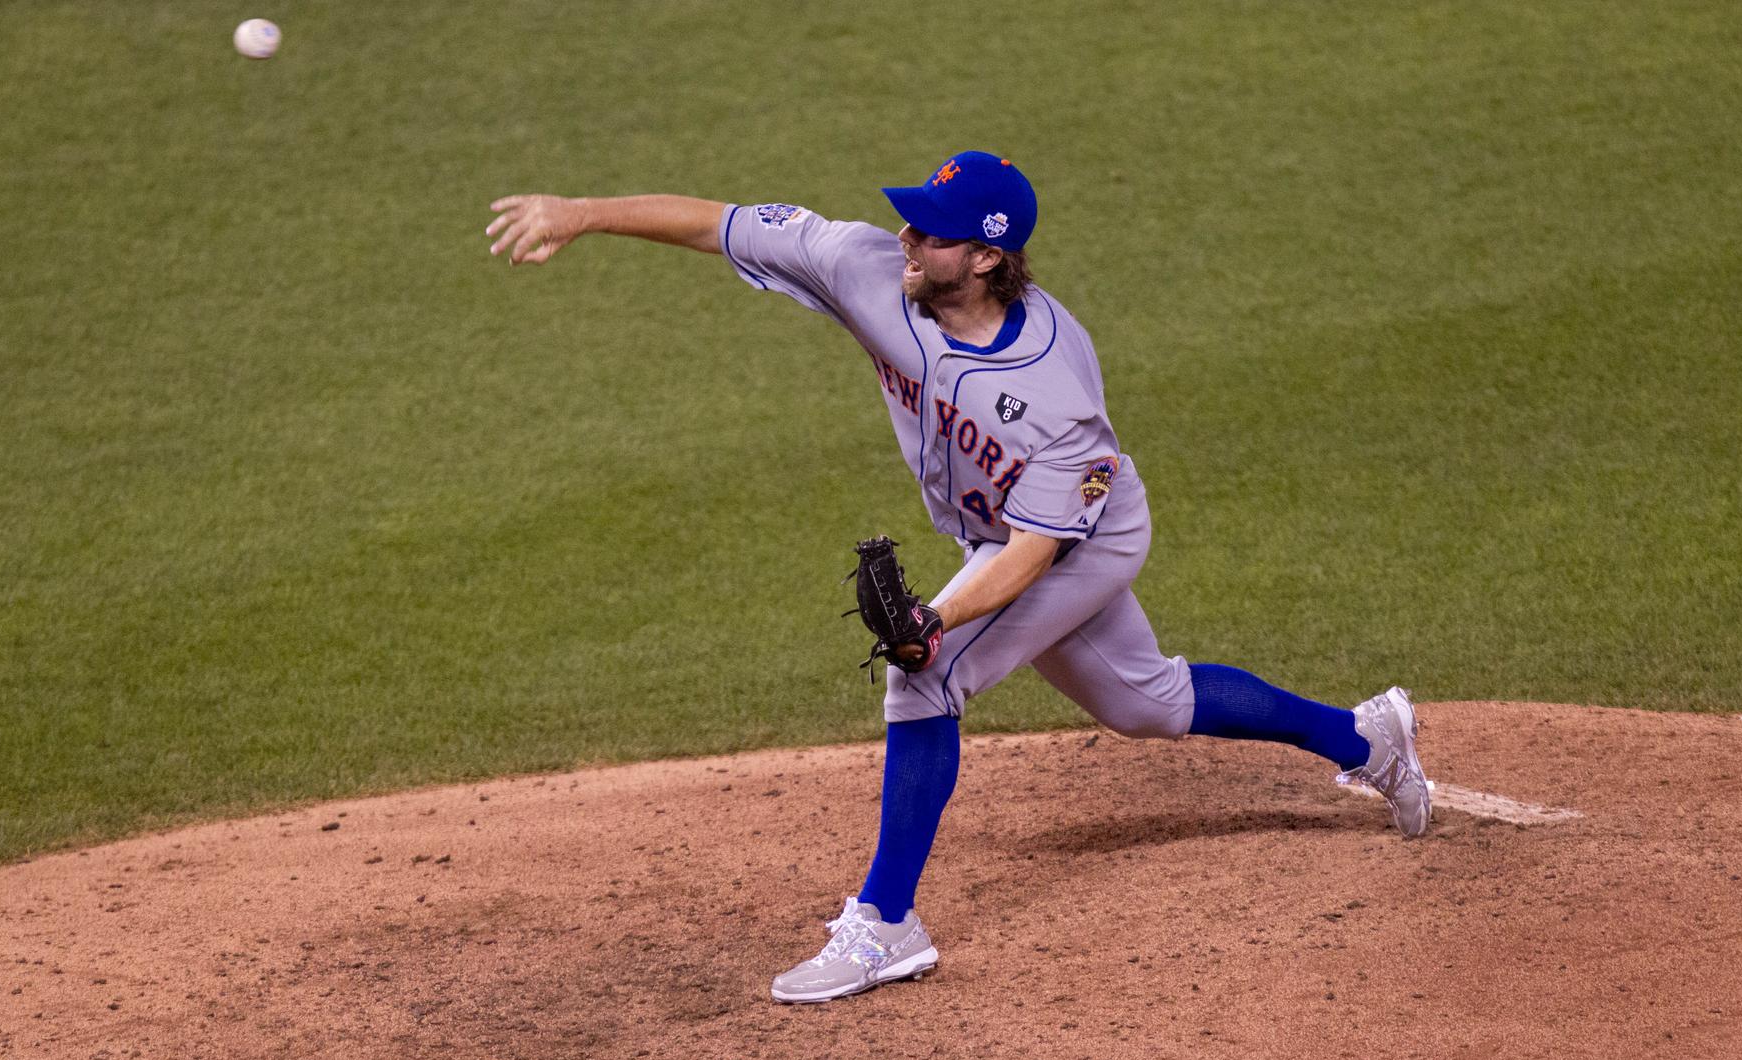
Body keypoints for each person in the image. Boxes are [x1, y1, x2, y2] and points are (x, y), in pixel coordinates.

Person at [485, 151, 1431, 1005]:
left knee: (923, 673)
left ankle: (887, 923)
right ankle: (1366, 736)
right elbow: (719, 222)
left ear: (984, 258)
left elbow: (1029, 556)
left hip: (1080, 539)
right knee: (1145, 702)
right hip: (1006, 536)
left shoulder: (1057, 400)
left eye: (931, 232)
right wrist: (582, 213)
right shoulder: (865, 267)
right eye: (910, 218)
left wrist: (932, 621)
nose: (905, 237)